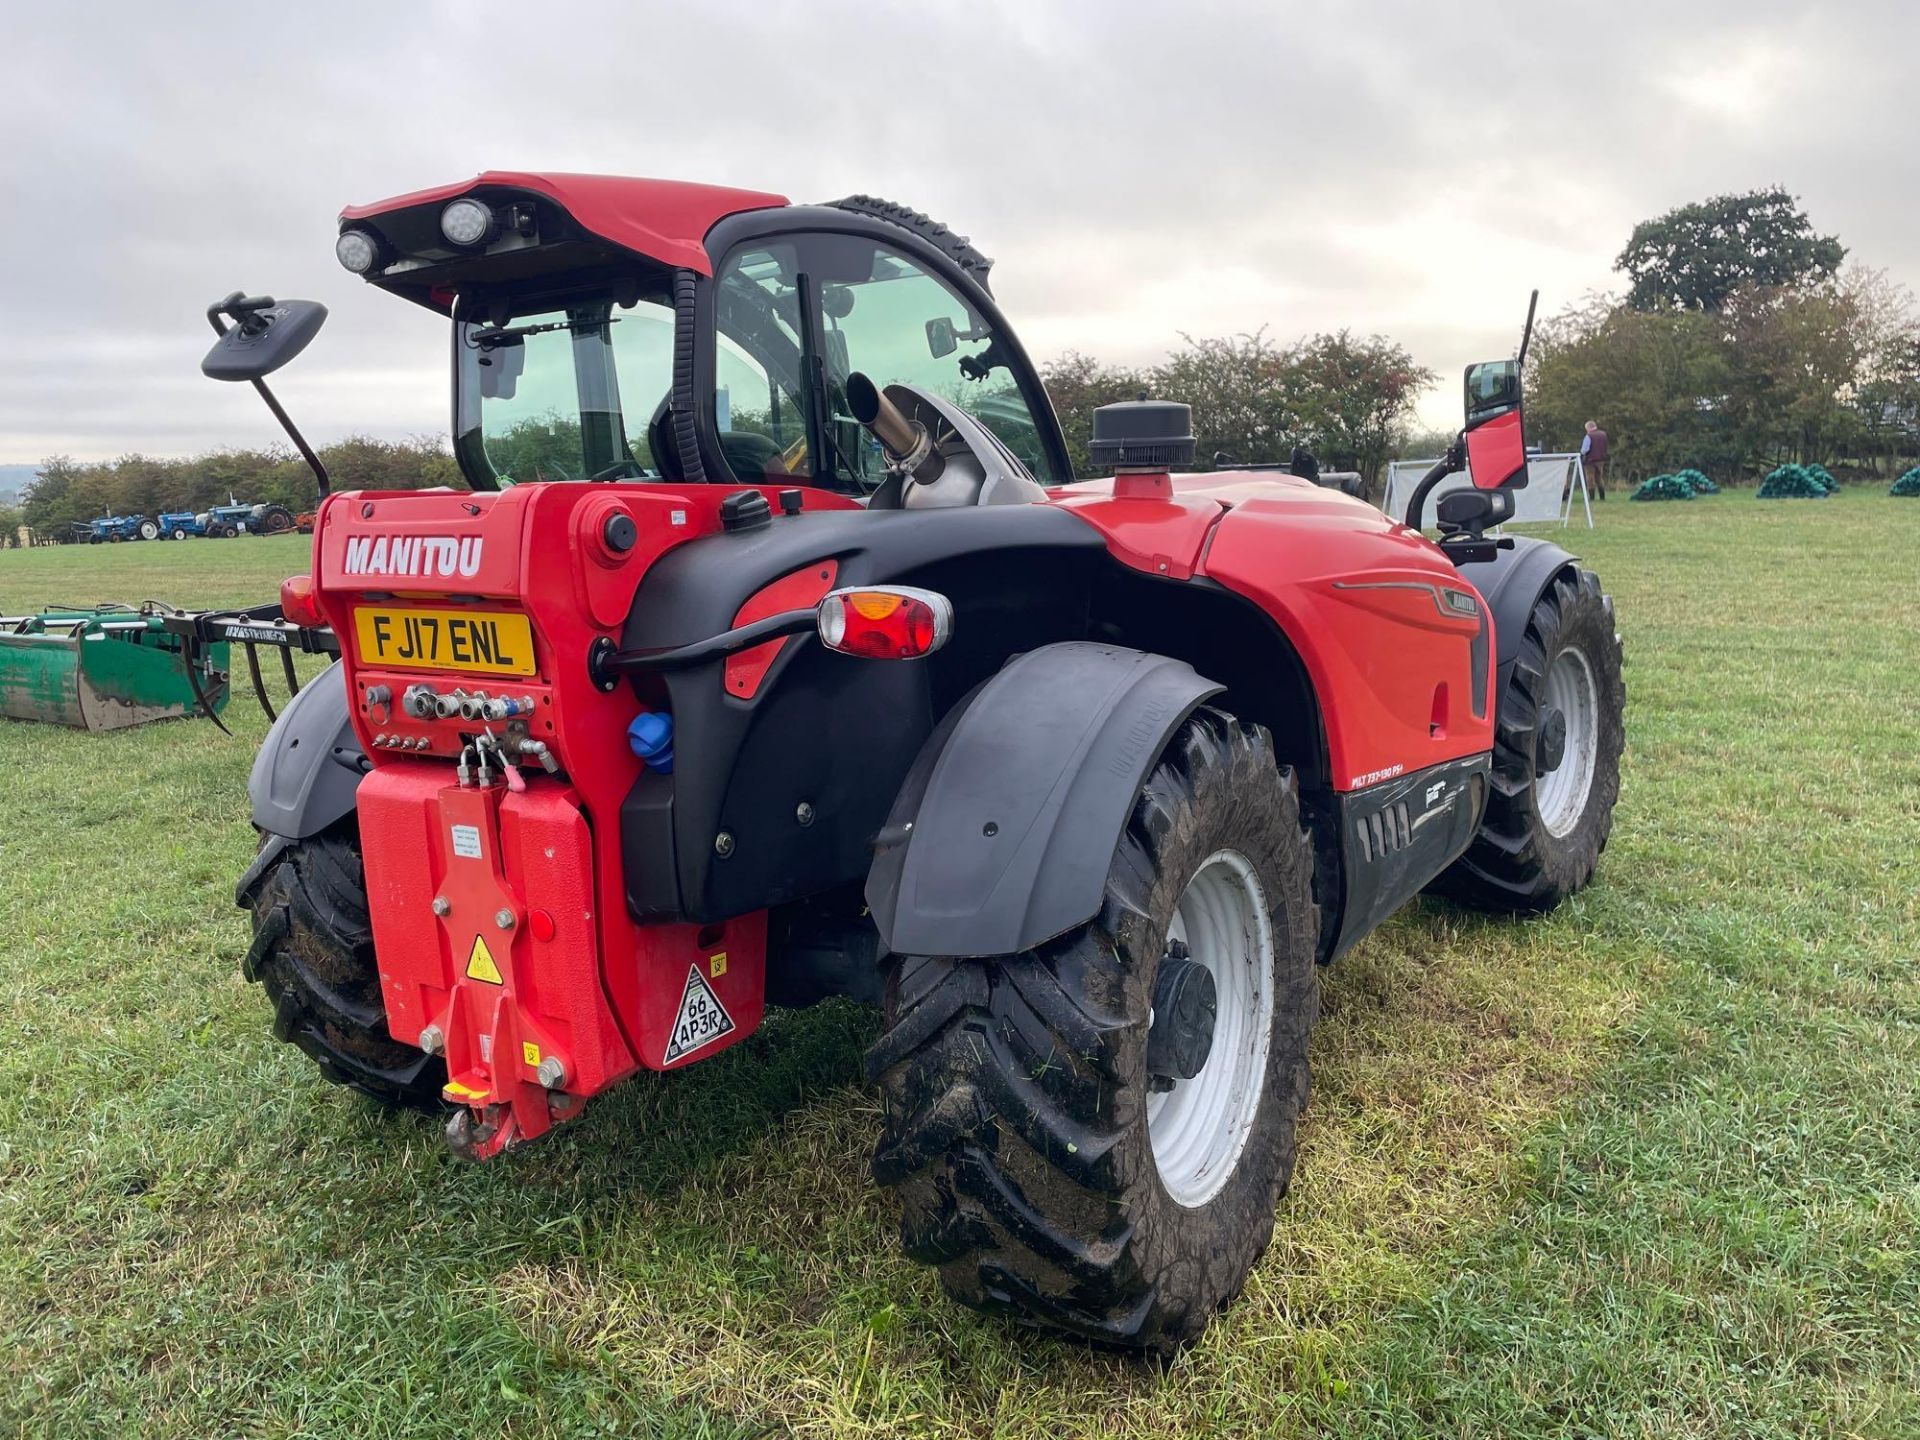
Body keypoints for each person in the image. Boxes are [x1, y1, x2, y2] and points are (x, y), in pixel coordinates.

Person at [1579, 420, 1609, 501]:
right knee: (1599, 478)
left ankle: (1591, 497)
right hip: (1601, 460)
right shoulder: (1603, 434)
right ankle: (1602, 497)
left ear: (1588, 427)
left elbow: (1584, 450)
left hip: (1590, 460)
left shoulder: (1589, 436)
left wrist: (1581, 454)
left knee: (1590, 478)